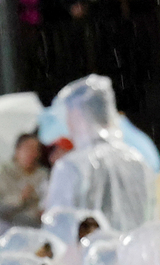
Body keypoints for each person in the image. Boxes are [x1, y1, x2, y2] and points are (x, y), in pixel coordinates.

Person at [46, 75, 151, 232]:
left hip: (90, 256)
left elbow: (58, 234)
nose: (67, 124)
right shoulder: (138, 161)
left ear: (77, 114)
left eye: (68, 115)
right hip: (134, 255)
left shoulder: (71, 167)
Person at [0, 132, 49, 233]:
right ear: (17, 150)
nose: (31, 154)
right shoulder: (2, 174)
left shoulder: (42, 175)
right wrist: (20, 198)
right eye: (27, 149)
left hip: (35, 229)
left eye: (35, 150)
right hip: (6, 230)